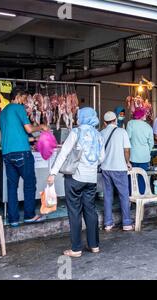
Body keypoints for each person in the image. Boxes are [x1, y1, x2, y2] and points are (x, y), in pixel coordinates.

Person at [48, 107, 105, 258]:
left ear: (81, 117)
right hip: (91, 179)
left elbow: (64, 153)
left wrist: (53, 173)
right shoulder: (98, 135)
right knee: (90, 211)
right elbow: (102, 158)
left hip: (75, 178)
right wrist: (90, 166)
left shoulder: (76, 132)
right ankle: (94, 245)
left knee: (74, 212)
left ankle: (76, 248)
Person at [0, 89, 49, 227]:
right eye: (24, 98)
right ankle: (29, 215)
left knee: (12, 186)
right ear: (17, 97)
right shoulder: (18, 108)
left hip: (7, 154)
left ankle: (13, 219)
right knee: (29, 184)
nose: (25, 101)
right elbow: (28, 129)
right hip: (22, 153)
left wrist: (35, 139)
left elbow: (16, 134)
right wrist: (41, 127)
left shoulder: (3, 112)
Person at [100, 111, 134, 232]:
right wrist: (128, 162)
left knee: (108, 196)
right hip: (119, 168)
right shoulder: (122, 132)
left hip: (105, 168)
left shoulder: (101, 133)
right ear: (115, 120)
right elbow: (126, 150)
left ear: (104, 123)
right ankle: (127, 223)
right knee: (124, 195)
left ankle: (108, 223)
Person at [126, 107, 154, 195]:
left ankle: (131, 196)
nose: (145, 115)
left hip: (133, 156)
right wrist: (146, 150)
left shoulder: (130, 123)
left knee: (131, 177)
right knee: (142, 176)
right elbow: (151, 143)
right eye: (144, 114)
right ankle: (141, 195)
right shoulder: (148, 126)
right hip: (144, 156)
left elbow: (127, 139)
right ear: (141, 115)